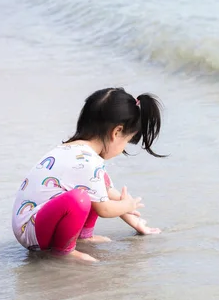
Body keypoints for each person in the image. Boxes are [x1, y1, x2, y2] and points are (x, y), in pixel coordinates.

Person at [11, 87, 165, 262]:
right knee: (80, 198)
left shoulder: (76, 151)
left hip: (32, 224)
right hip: (33, 232)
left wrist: (136, 222)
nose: (123, 149)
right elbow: (105, 208)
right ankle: (64, 251)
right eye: (127, 142)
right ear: (116, 132)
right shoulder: (87, 162)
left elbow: (106, 193)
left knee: (94, 187)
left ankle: (84, 236)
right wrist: (127, 205)